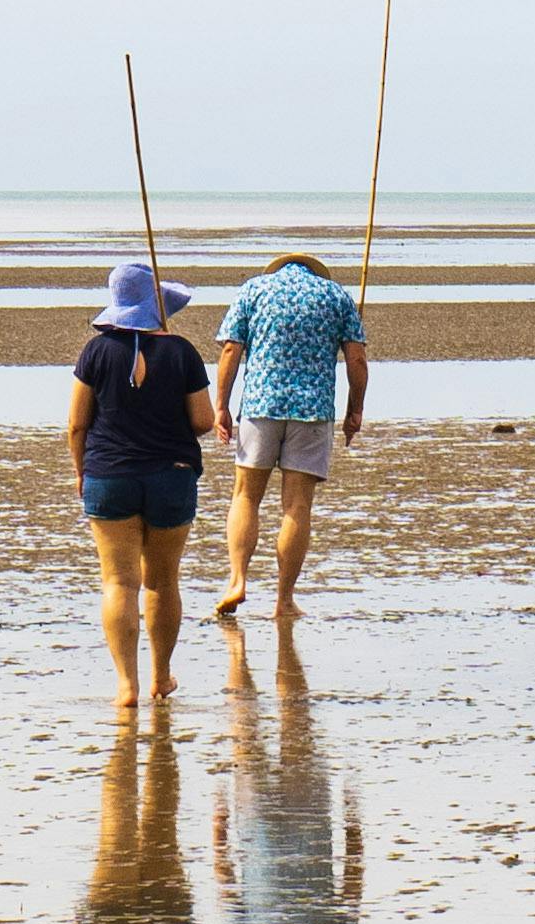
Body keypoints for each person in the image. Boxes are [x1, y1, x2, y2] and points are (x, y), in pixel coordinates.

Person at [64, 261, 220, 709]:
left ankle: (126, 686)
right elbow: (203, 421)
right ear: (156, 306)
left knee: (118, 583)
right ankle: (161, 676)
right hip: (172, 475)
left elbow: (77, 424)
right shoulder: (181, 352)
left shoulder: (96, 352)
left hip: (108, 475)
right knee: (163, 581)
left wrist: (81, 471)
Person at [206, 245, 371, 622]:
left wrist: (221, 406)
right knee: (297, 505)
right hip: (312, 411)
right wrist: (354, 410)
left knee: (246, 496)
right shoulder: (336, 296)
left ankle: (237, 579)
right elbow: (357, 360)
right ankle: (284, 599)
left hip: (261, 405)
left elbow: (231, 349)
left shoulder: (254, 290)